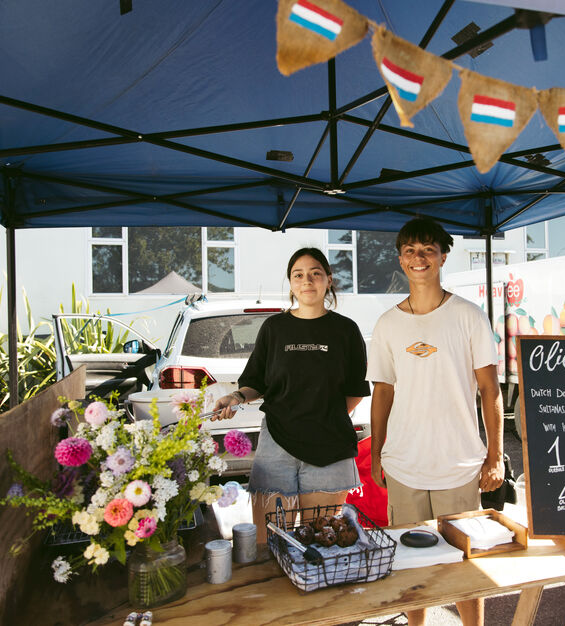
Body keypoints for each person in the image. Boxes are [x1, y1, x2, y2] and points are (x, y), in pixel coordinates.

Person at [367, 217, 504, 626]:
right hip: (404, 465)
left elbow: (489, 391)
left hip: (459, 463)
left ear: (443, 256)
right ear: (400, 260)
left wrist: (495, 457)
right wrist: (376, 454)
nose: (419, 257)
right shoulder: (387, 324)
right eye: (410, 250)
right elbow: (382, 393)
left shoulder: (468, 316)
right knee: (411, 562)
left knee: (464, 564)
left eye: (428, 249)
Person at [214, 247, 370, 544]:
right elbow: (255, 382)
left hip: (329, 448)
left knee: (320, 542)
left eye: (315, 274)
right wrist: (235, 397)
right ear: (291, 282)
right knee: (268, 542)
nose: (307, 280)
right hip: (276, 445)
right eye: (298, 275)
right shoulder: (275, 328)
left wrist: (321, 417)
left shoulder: (346, 331)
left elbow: (354, 392)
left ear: (329, 280)